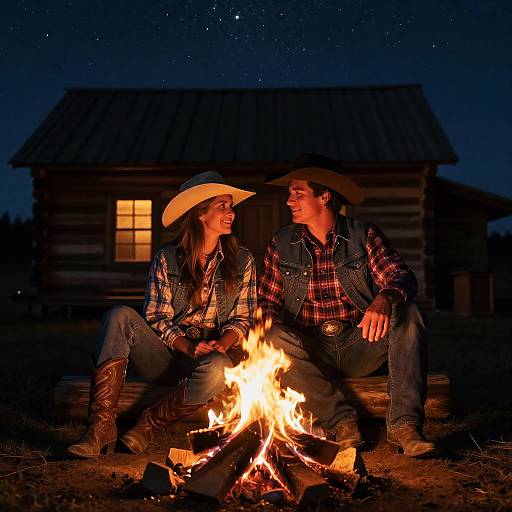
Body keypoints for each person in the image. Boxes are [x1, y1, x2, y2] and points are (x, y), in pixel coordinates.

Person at [68, 171, 257, 458]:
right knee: (119, 315)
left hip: (208, 359)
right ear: (200, 214)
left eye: (231, 206)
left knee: (217, 367)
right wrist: (187, 346)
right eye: (222, 205)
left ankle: (148, 425)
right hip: (167, 354)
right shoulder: (167, 257)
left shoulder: (242, 260)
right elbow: (155, 316)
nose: (231, 212)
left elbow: (243, 317)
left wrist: (223, 344)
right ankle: (101, 427)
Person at [258, 153, 435, 457]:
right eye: (290, 193)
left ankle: (405, 426)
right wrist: (271, 334)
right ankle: (341, 423)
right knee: (271, 336)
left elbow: (400, 276)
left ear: (324, 196)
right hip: (311, 351)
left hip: (361, 342)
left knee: (408, 312)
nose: (289, 200)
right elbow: (268, 302)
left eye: (297, 192)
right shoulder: (281, 242)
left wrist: (385, 297)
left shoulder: (363, 235)